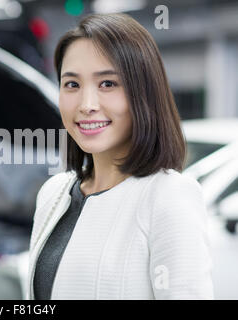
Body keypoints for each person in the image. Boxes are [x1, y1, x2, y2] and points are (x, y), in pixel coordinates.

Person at [27, 13, 214, 300]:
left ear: (144, 94)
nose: (87, 105)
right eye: (72, 85)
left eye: (108, 84)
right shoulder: (53, 193)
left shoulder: (168, 196)